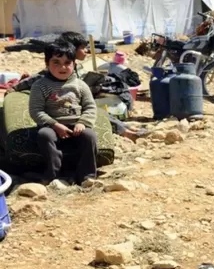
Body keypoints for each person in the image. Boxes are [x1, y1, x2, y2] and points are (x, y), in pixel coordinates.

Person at [57, 32, 148, 143]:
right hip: (68, 110)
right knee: (95, 112)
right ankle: (127, 133)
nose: (86, 50)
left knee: (101, 111)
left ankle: (126, 128)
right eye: (82, 48)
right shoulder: (62, 69)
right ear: (72, 49)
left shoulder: (74, 66)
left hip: (77, 103)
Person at [29, 42, 98, 186]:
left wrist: (82, 123)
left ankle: (87, 176)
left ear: (74, 64)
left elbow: (90, 107)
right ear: (47, 63)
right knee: (44, 135)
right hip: (52, 126)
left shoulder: (81, 85)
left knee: (90, 136)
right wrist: (55, 125)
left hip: (77, 125)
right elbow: (36, 110)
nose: (63, 67)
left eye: (67, 63)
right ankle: (53, 175)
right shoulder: (40, 86)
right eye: (56, 62)